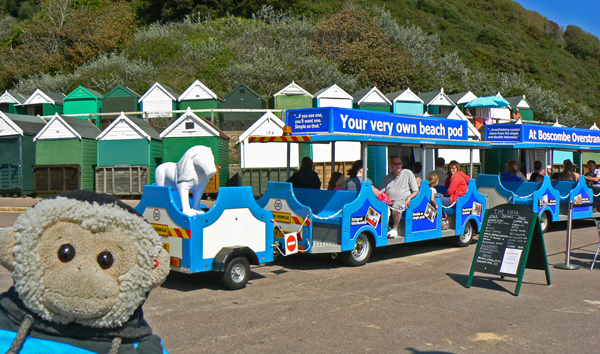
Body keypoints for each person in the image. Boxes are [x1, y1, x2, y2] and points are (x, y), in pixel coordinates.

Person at [379, 156, 419, 239]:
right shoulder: (387, 178)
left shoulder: (407, 173)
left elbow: (416, 191)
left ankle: (394, 229)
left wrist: (409, 197)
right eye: (395, 163)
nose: (398, 165)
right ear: (391, 165)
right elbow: (381, 192)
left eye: (399, 163)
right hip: (389, 202)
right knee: (381, 205)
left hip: (402, 201)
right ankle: (382, 229)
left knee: (397, 205)